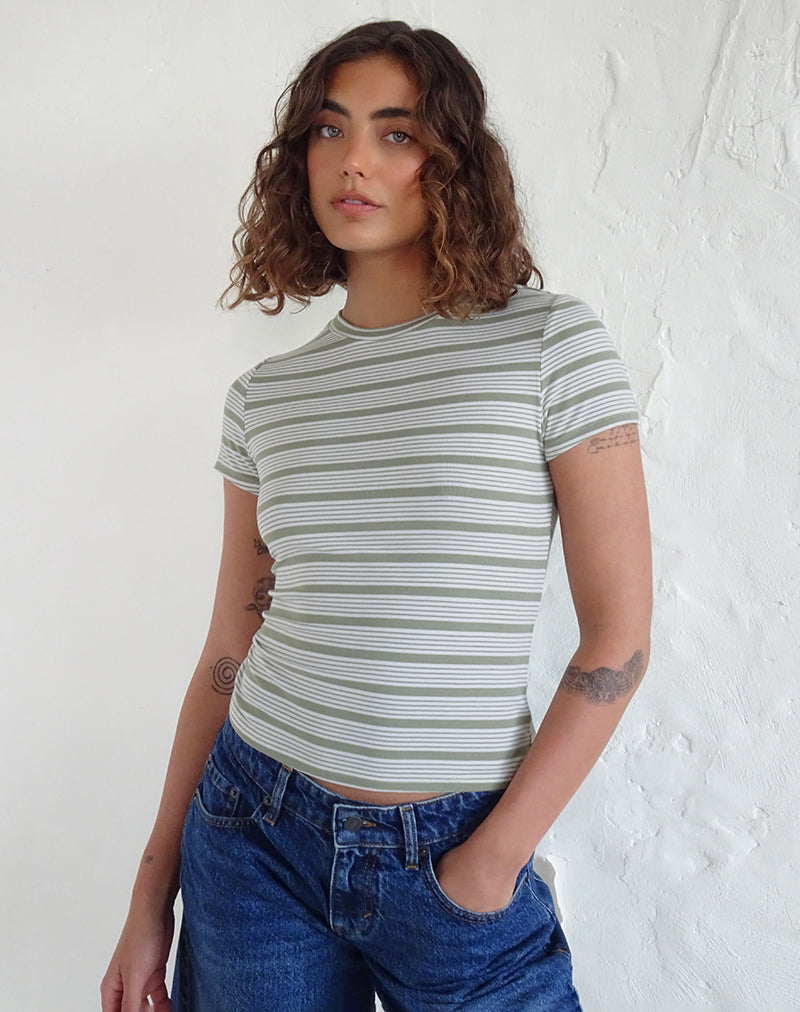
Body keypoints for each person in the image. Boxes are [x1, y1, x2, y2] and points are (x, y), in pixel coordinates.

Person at [101, 19, 651, 1012]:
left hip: (454, 855)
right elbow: (230, 642)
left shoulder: (548, 346)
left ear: (453, 162)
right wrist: (151, 897)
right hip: (251, 835)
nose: (353, 159)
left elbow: (617, 635)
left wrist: (491, 863)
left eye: (395, 133)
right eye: (329, 128)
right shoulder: (265, 399)